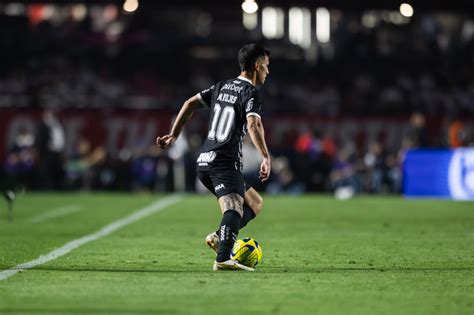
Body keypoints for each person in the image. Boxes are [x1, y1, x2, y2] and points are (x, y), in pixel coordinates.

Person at [156, 44, 271, 271]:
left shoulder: (222, 86)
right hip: (224, 162)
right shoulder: (251, 92)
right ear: (257, 66)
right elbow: (253, 123)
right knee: (233, 209)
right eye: (267, 67)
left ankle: (220, 236)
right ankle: (223, 258)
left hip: (205, 161)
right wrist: (265, 156)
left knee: (255, 203)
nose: (268, 72)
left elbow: (189, 103)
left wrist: (174, 135)